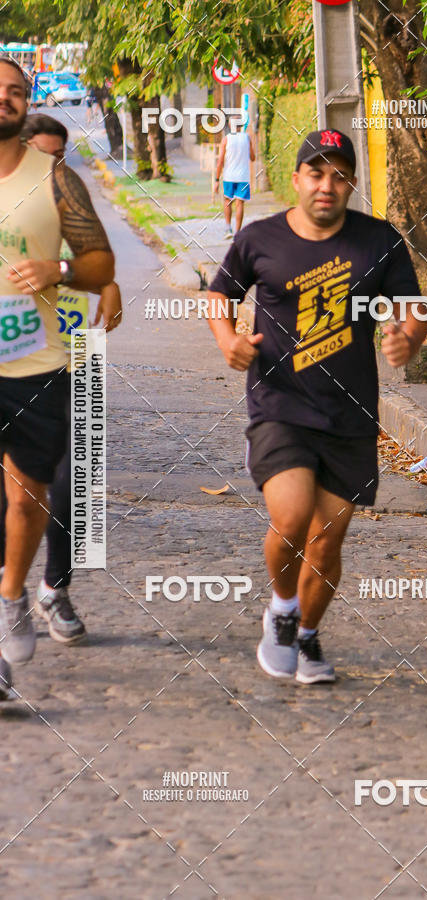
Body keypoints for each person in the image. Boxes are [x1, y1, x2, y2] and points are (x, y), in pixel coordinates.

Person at [207, 129, 427, 684]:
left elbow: (413, 305)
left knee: (327, 539)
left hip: (350, 412)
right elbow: (220, 294)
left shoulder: (379, 240)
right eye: (316, 172)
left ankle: (306, 635)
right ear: (298, 178)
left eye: (339, 175)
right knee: (292, 516)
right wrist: (228, 338)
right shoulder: (260, 238)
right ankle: (282, 608)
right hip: (279, 402)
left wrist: (409, 336)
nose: (326, 185)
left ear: (351, 182)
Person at [0, 58, 114, 699]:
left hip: (40, 362)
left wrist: (60, 271)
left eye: (16, 91)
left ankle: (18, 593)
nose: (6, 100)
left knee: (27, 499)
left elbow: (100, 262)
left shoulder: (57, 179)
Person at [214, 122, 255, 239]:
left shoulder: (226, 139)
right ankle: (238, 232)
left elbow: (220, 161)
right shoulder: (247, 138)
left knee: (227, 201)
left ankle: (228, 229)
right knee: (240, 203)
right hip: (243, 176)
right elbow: (253, 158)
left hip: (229, 176)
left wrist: (217, 179)